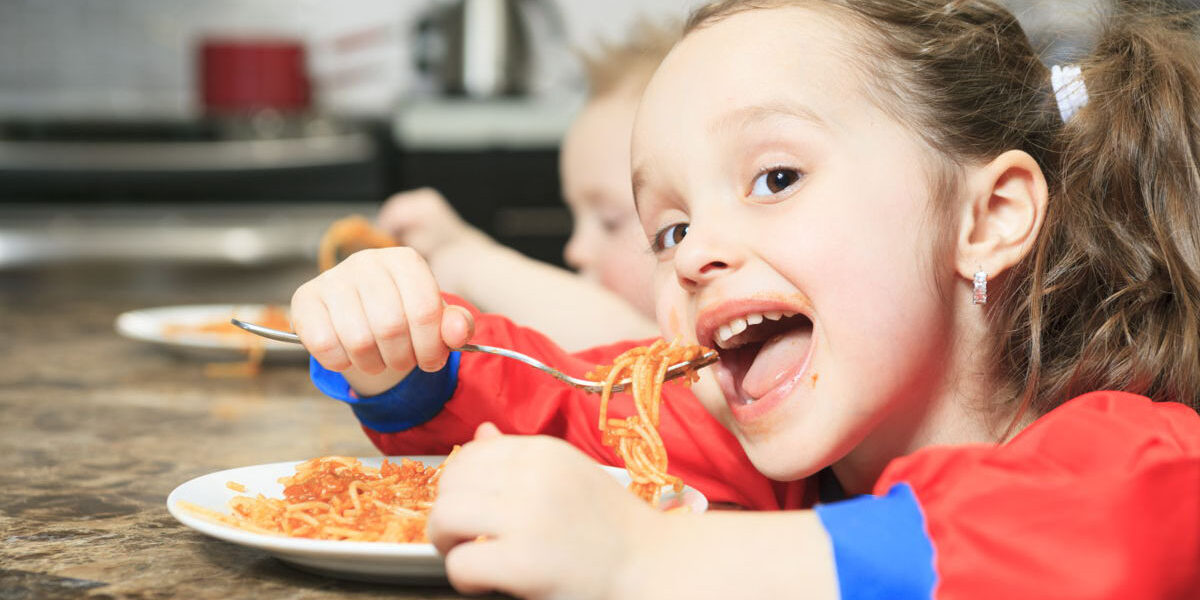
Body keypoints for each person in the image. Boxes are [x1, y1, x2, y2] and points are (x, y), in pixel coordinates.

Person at [290, 0, 1200, 598]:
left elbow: (1086, 541)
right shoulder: (768, 451)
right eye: (670, 229)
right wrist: (413, 360)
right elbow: (572, 405)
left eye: (774, 176)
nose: (694, 257)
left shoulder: (1143, 454)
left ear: (989, 217)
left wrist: (649, 562)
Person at [374, 22, 681, 351]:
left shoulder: (708, 359)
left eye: (609, 221)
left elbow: (634, 344)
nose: (575, 250)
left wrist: (468, 258)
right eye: (575, 219)